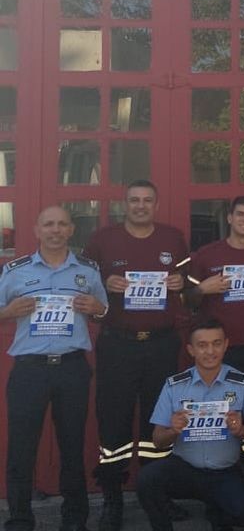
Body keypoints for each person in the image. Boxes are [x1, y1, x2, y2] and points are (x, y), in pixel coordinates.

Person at [83, 180, 191, 531]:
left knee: (158, 421)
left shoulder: (173, 238)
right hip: (118, 343)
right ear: (124, 204)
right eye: (134, 200)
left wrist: (181, 283)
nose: (140, 206)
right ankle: (112, 498)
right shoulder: (103, 239)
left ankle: (156, 495)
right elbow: (81, 283)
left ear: (156, 205)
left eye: (147, 200)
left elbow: (191, 282)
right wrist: (105, 282)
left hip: (161, 343)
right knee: (113, 419)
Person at [1, 206, 108, 531]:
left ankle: (74, 519)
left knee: (72, 447)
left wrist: (98, 308)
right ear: (37, 230)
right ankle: (20, 519)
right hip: (29, 371)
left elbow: (103, 311)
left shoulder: (88, 271)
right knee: (21, 449)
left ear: (72, 229)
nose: (55, 230)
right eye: (49, 224)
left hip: (72, 369)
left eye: (62, 224)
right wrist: (8, 312)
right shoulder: (15, 271)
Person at [186, 195, 244, 508]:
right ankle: (220, 487)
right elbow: (185, 299)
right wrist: (202, 289)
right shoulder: (207, 254)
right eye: (240, 214)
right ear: (229, 217)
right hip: (220, 353)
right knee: (219, 417)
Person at [137, 317, 244, 531]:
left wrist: (241, 430)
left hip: (224, 471)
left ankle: (218, 516)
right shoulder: (174, 385)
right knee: (147, 479)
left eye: (216, 343)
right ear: (191, 350)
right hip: (185, 469)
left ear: (226, 345)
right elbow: (158, 440)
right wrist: (173, 431)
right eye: (202, 345)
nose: (210, 351)